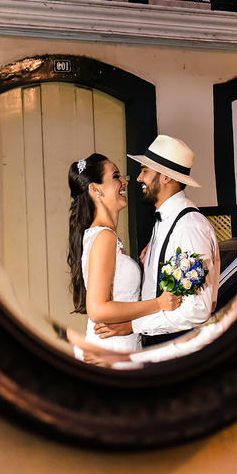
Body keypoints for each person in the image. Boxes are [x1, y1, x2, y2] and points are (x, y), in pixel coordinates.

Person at [91, 135, 220, 347]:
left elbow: (197, 309)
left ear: (166, 177)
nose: (139, 178)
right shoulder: (165, 220)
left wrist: (133, 326)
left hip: (177, 346)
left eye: (145, 171)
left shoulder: (188, 226)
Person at [66, 153, 180, 359]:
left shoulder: (103, 235)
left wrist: (143, 268)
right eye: (115, 176)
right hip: (111, 351)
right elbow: (97, 309)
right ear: (95, 189)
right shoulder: (104, 236)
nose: (124, 182)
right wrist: (159, 303)